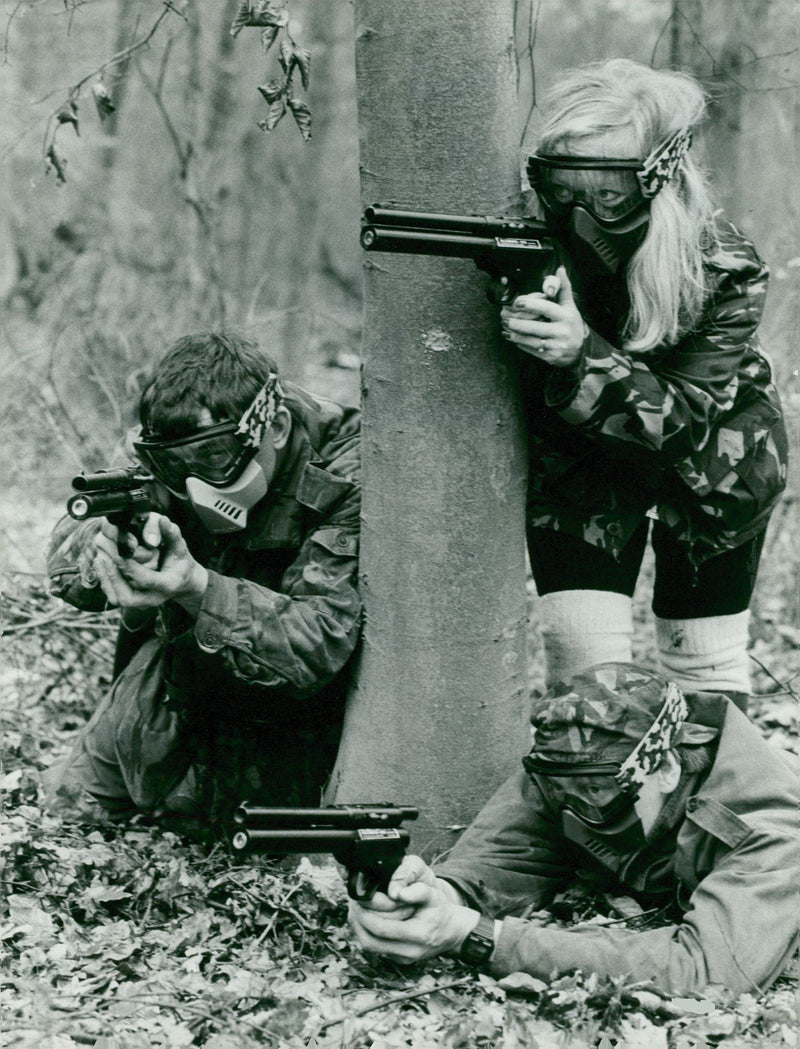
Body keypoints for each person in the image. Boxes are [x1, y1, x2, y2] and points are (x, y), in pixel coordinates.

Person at [500, 60, 787, 709]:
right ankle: (603, 804)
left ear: (656, 181)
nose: (580, 216)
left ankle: (722, 808)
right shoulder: (526, 238)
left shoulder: (722, 266)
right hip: (582, 460)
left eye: (608, 195)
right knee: (585, 677)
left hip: (717, 463)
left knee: (703, 669)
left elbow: (683, 423)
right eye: (562, 188)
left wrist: (580, 352)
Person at [44, 331, 361, 830]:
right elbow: (65, 570)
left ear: (274, 427)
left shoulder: (348, 471)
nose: (194, 487)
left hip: (298, 713)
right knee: (63, 820)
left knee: (247, 848)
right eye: (176, 466)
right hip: (172, 679)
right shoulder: (161, 442)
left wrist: (196, 586)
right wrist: (115, 547)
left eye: (211, 458)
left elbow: (321, 641)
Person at [349, 663, 799, 995]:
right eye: (559, 789)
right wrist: (437, 896)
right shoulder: (582, 769)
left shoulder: (767, 827)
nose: (576, 809)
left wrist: (476, 936)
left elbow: (704, 970)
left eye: (598, 793)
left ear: (664, 767)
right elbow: (505, 854)